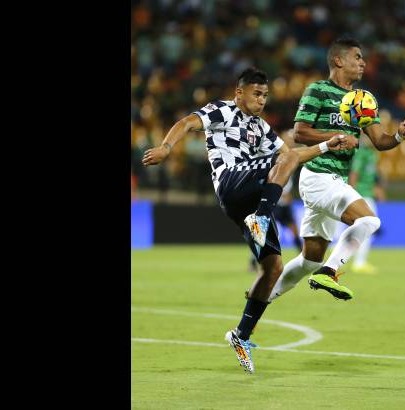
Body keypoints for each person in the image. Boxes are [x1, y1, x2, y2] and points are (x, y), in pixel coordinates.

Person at [141, 67, 347, 373]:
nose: (262, 100)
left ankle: (241, 335)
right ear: (240, 93)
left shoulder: (262, 128)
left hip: (247, 201)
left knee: (274, 267)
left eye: (265, 95)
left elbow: (290, 155)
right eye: (256, 93)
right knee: (286, 160)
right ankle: (262, 218)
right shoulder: (221, 111)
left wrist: (327, 146)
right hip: (230, 181)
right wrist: (167, 147)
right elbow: (187, 122)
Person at [268, 37, 405, 302]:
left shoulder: (363, 100)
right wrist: (334, 137)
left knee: (308, 262)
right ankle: (330, 271)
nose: (363, 63)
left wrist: (397, 137)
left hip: (334, 180)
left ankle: (260, 300)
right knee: (369, 220)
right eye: (357, 57)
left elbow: (379, 141)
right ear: (338, 60)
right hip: (317, 176)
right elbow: (300, 132)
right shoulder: (318, 90)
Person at [248, 130, 303, 273]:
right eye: (288, 139)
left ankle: (303, 259)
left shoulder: (292, 156)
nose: (291, 142)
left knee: (294, 231)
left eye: (292, 140)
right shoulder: (274, 156)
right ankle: (253, 262)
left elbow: (288, 180)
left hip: (285, 203)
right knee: (262, 231)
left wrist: (289, 193)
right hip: (273, 201)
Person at [348, 134, 386, 274]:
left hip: (368, 194)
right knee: (369, 228)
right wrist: (351, 194)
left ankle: (350, 258)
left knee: (364, 230)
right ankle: (359, 262)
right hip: (362, 195)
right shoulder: (362, 154)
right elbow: (354, 174)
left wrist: (377, 189)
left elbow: (371, 175)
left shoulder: (372, 154)